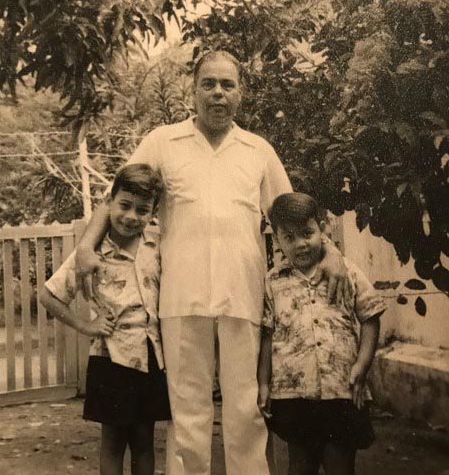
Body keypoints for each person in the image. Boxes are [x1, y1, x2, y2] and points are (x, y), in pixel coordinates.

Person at [75, 50, 349, 475]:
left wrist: (331, 252)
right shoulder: (163, 142)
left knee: (246, 410)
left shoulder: (257, 150)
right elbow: (117, 197)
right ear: (194, 90)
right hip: (180, 297)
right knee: (188, 414)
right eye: (209, 84)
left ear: (241, 93)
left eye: (227, 85)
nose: (218, 93)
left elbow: (293, 216)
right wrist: (86, 248)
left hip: (243, 294)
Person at [40, 163, 171, 475]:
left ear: (153, 212)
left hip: (150, 357)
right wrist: (86, 326)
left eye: (142, 210)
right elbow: (48, 296)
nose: (131, 216)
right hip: (110, 359)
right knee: (113, 443)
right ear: (110, 202)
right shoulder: (90, 254)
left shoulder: (156, 247)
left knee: (144, 440)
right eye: (124, 205)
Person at [258, 192, 386, 475]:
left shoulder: (346, 272)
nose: (300, 244)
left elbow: (370, 316)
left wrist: (362, 365)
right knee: (300, 467)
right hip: (293, 393)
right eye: (289, 237)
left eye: (307, 233)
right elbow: (267, 335)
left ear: (323, 229)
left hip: (341, 388)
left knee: (340, 466)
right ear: (277, 240)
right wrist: (264, 384)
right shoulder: (273, 281)